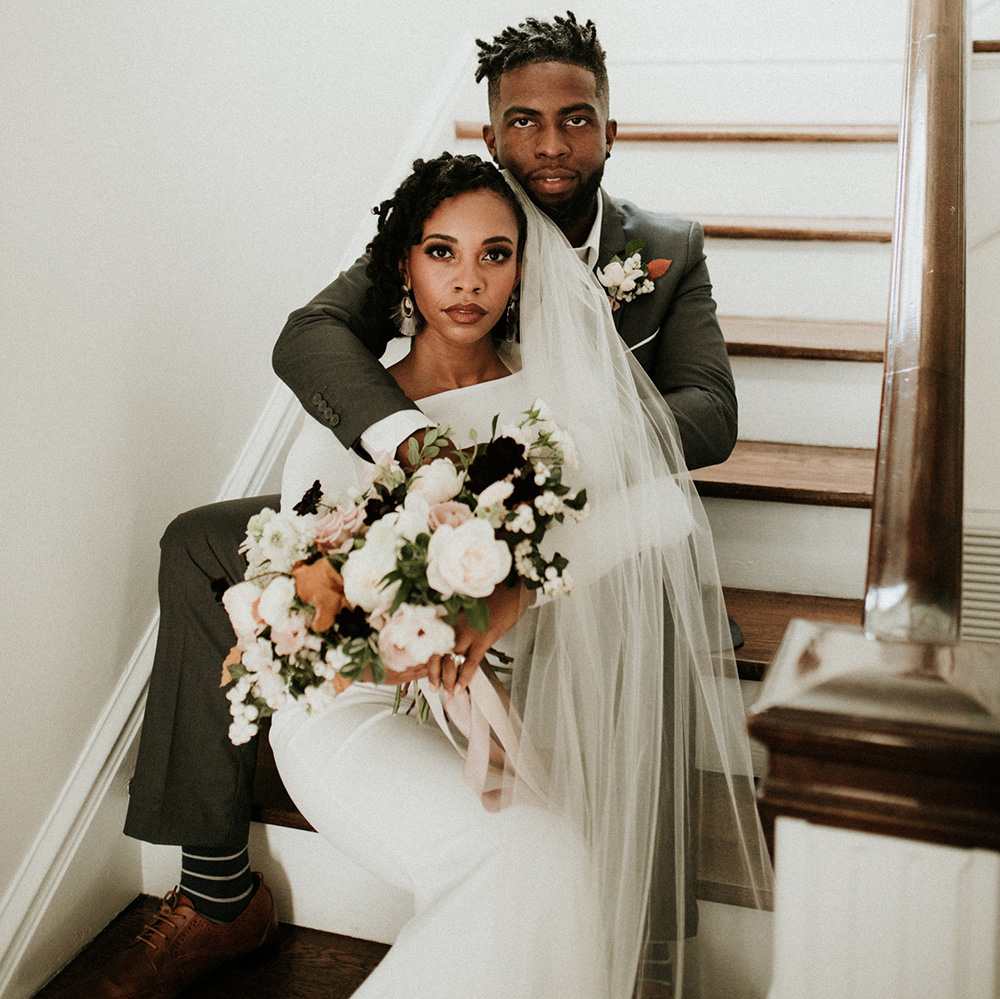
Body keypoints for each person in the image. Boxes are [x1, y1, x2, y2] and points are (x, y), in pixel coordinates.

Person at [102, 12, 744, 999]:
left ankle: (644, 943)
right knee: (202, 543)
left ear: (611, 128)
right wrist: (420, 456)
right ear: (489, 134)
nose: (551, 144)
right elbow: (312, 335)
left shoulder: (663, 248)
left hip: (571, 505)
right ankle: (220, 893)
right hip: (416, 488)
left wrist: (525, 478)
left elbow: (705, 412)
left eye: (576, 120)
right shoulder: (452, 218)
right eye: (523, 121)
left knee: (645, 601)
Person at [270, 149, 769, 998]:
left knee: (555, 870)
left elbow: (663, 513)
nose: (468, 280)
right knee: (528, 859)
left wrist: (513, 589)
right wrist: (413, 630)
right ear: (405, 264)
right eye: (442, 251)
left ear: (522, 270)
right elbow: (303, 624)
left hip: (511, 704)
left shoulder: (556, 407)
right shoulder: (357, 413)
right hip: (357, 712)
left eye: (494, 254)